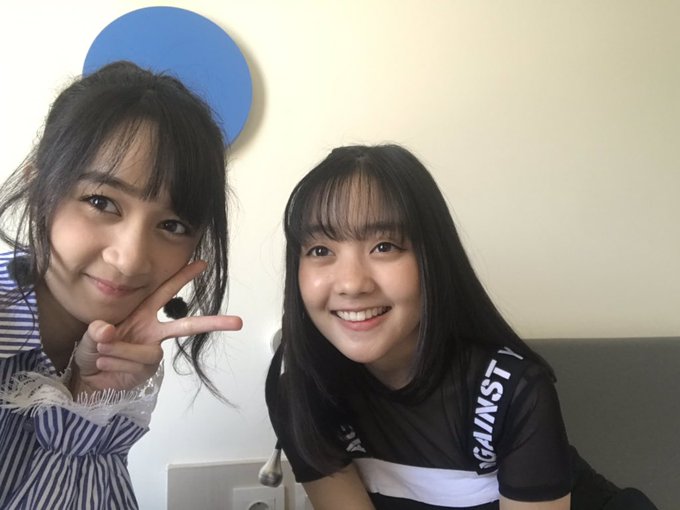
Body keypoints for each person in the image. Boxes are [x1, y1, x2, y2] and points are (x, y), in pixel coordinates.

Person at [265, 144, 658, 509]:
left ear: (433, 258)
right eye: (320, 250)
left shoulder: (510, 390)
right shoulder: (302, 394)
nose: (352, 284)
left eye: (384, 246)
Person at [0, 61, 242, 509]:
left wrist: (88, 398)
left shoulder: (120, 357)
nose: (130, 259)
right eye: (101, 201)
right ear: (39, 191)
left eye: (172, 225)